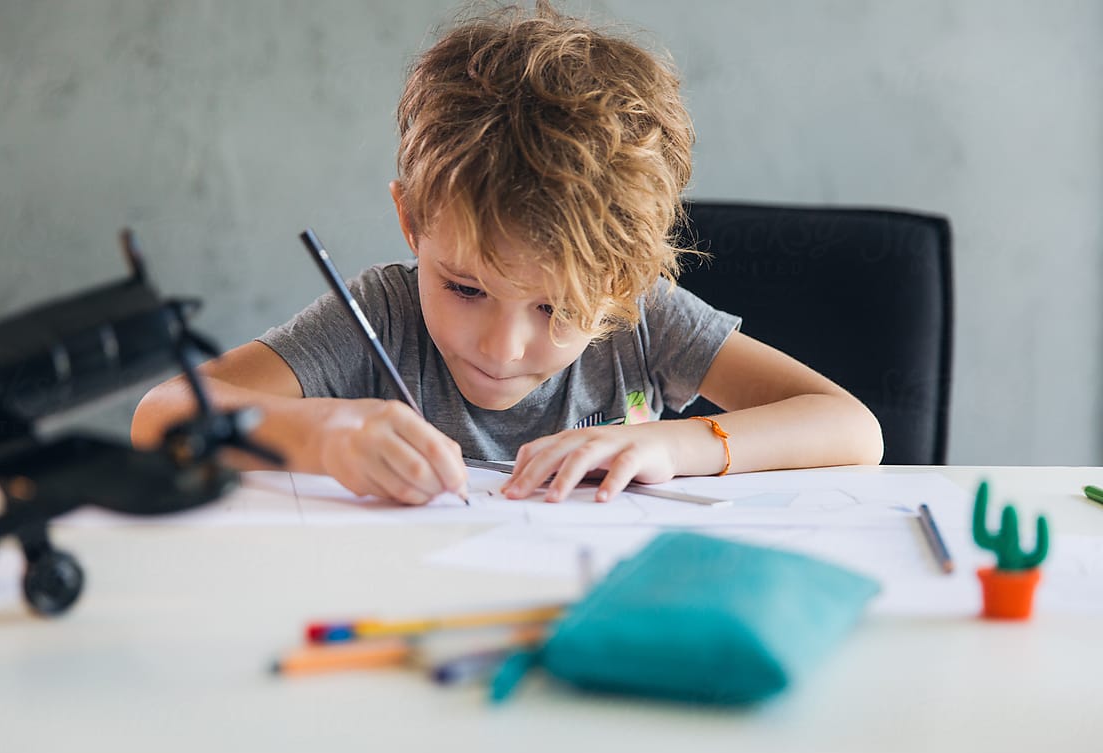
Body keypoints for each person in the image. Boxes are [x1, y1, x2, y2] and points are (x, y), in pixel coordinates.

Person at [131, 1, 883, 506]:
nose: (501, 345)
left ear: (627, 276)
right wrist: (327, 436)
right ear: (411, 222)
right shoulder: (380, 316)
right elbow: (159, 415)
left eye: (555, 308)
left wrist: (677, 443)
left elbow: (851, 429)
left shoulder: (640, 316)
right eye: (463, 288)